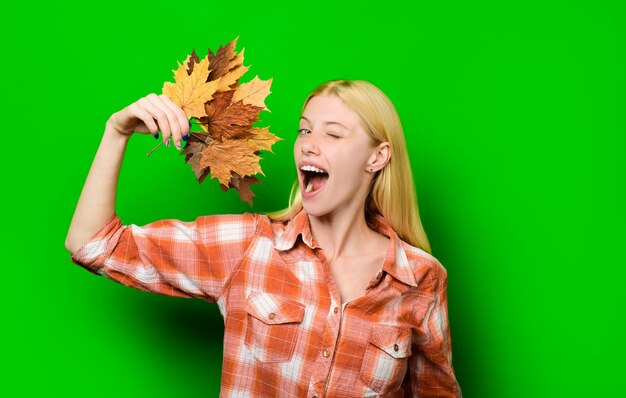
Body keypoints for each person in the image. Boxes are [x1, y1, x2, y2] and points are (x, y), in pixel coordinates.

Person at [66, 79, 462, 397]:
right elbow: (92, 244)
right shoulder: (248, 247)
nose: (308, 143)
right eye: (304, 130)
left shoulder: (421, 280)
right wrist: (116, 131)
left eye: (333, 134)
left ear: (377, 157)